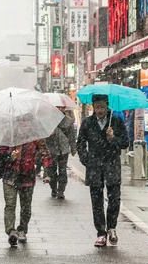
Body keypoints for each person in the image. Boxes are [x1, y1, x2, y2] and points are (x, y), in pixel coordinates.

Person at [77, 94, 129, 247]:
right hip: (94, 166)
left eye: (102, 107)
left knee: (114, 199)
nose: (99, 110)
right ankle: (101, 232)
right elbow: (80, 143)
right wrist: (86, 159)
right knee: (97, 201)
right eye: (97, 107)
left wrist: (113, 138)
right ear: (93, 107)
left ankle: (112, 227)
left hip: (112, 165)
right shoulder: (88, 123)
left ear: (107, 106)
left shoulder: (116, 121)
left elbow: (125, 143)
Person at [0, 137, 52, 246]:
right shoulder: (10, 134)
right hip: (10, 176)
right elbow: (0, 152)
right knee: (10, 205)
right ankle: (11, 231)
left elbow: (45, 153)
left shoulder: (36, 136)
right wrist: (10, 156)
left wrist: (47, 172)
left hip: (27, 176)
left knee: (26, 207)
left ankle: (22, 229)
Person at [45, 106, 76, 199]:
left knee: (63, 171)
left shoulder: (68, 121)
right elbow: (43, 136)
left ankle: (61, 190)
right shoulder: (48, 121)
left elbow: (71, 136)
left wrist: (73, 147)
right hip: (51, 150)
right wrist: (50, 134)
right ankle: (53, 188)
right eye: (57, 107)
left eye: (62, 107)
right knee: (52, 171)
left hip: (64, 149)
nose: (60, 109)